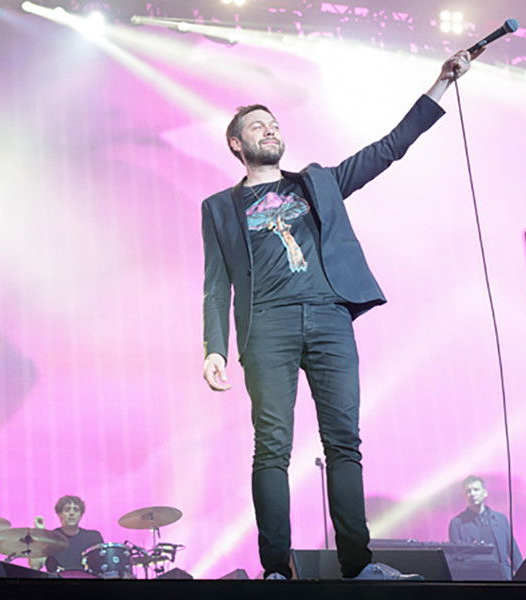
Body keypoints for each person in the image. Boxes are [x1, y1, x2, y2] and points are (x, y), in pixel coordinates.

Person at [202, 49, 479, 581]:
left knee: (343, 441)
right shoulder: (219, 207)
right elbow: (216, 283)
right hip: (267, 326)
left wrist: (442, 83)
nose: (270, 130)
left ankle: (358, 565)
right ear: (237, 143)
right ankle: (276, 569)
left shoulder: (318, 183)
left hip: (329, 318)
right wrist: (214, 347)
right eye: (257, 126)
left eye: (274, 124)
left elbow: (389, 148)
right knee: (272, 447)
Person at [449, 475, 522, 579]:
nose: (472, 494)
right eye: (468, 491)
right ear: (464, 496)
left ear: (485, 492)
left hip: (503, 577)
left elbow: (514, 552)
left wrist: (524, 576)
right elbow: (456, 559)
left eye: (476, 489)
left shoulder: (501, 519)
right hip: (476, 579)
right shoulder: (457, 523)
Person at [29, 495, 103, 573]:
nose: (72, 513)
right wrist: (39, 533)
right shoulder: (50, 538)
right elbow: (35, 566)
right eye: (67, 510)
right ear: (59, 514)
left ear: (81, 515)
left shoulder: (93, 537)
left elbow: (102, 566)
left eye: (76, 510)